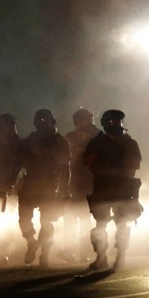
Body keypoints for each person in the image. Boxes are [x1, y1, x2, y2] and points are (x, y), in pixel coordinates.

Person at [84, 109, 142, 270]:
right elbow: (87, 161)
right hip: (103, 187)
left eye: (118, 122)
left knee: (122, 223)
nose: (116, 125)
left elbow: (134, 165)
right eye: (112, 122)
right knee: (100, 224)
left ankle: (120, 256)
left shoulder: (130, 143)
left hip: (122, 188)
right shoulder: (97, 142)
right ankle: (101, 257)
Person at [14, 109, 70, 267]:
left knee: (46, 222)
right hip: (30, 183)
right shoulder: (28, 141)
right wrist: (10, 182)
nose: (42, 123)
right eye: (40, 120)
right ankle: (32, 242)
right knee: (24, 219)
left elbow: (66, 167)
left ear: (53, 121)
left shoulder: (59, 141)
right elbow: (17, 163)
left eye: (45, 120)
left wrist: (65, 188)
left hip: (50, 185)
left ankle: (45, 255)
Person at [60, 107, 99, 263]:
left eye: (89, 119)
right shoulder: (69, 138)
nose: (88, 122)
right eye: (84, 119)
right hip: (74, 182)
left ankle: (84, 251)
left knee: (85, 218)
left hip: (91, 182)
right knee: (69, 217)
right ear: (77, 121)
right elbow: (62, 160)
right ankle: (69, 250)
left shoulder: (97, 137)